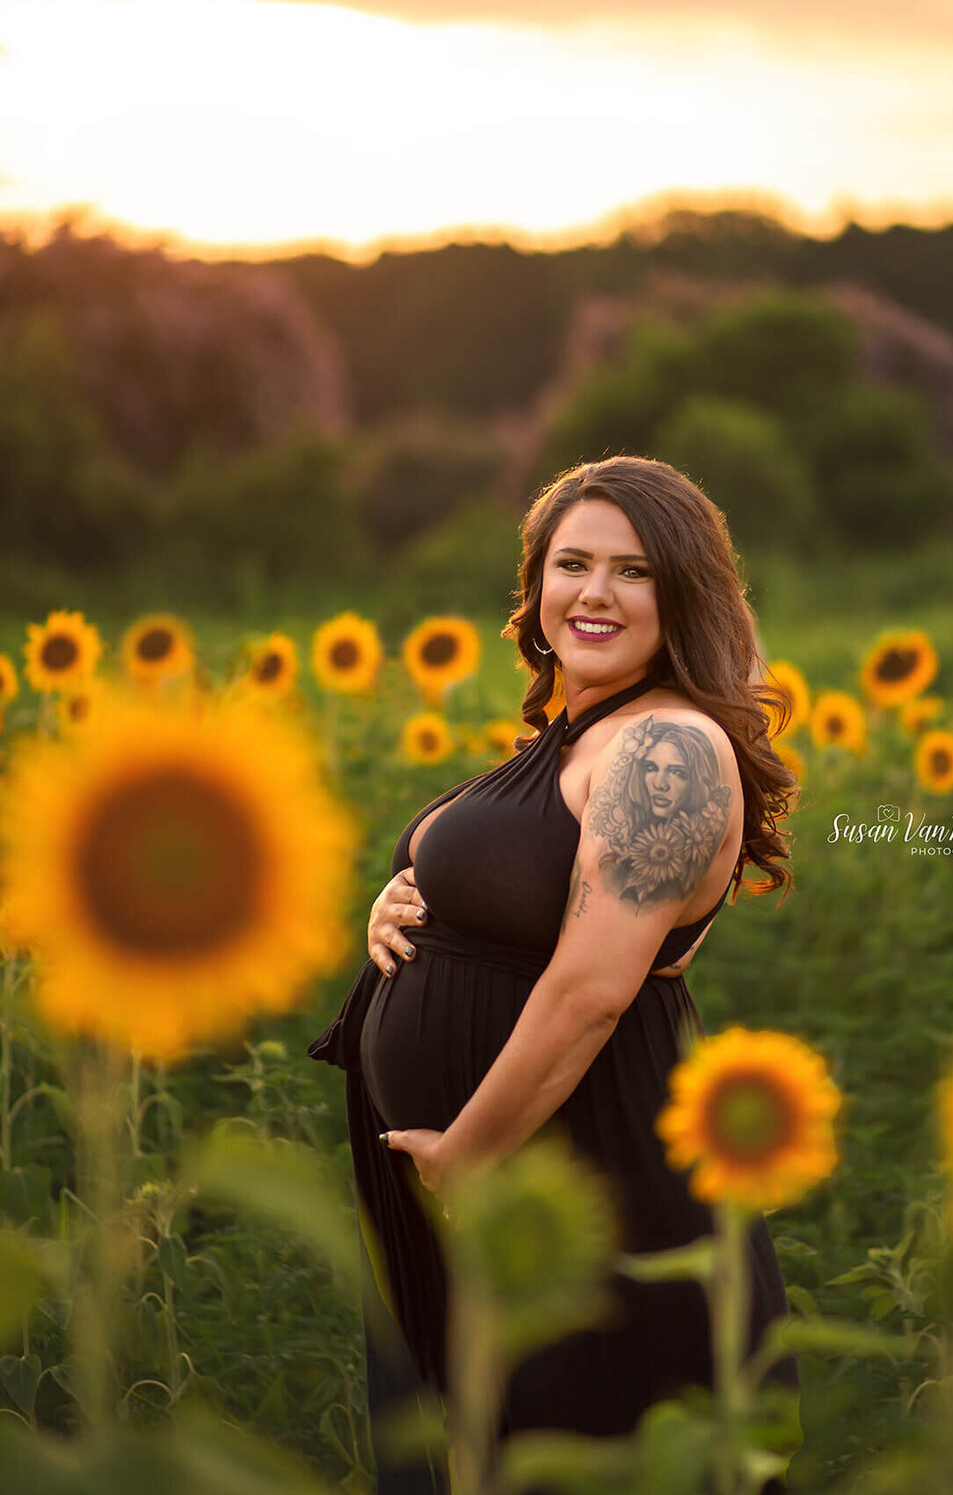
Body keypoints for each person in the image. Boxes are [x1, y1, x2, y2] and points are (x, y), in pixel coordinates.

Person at [308, 456, 801, 1492]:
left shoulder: (667, 747)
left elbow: (593, 988)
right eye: (571, 563)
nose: (595, 592)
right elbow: (514, 897)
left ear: (683, 593)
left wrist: (467, 1156)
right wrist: (399, 898)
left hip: (581, 1192)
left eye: (634, 570)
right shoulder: (571, 739)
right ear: (534, 589)